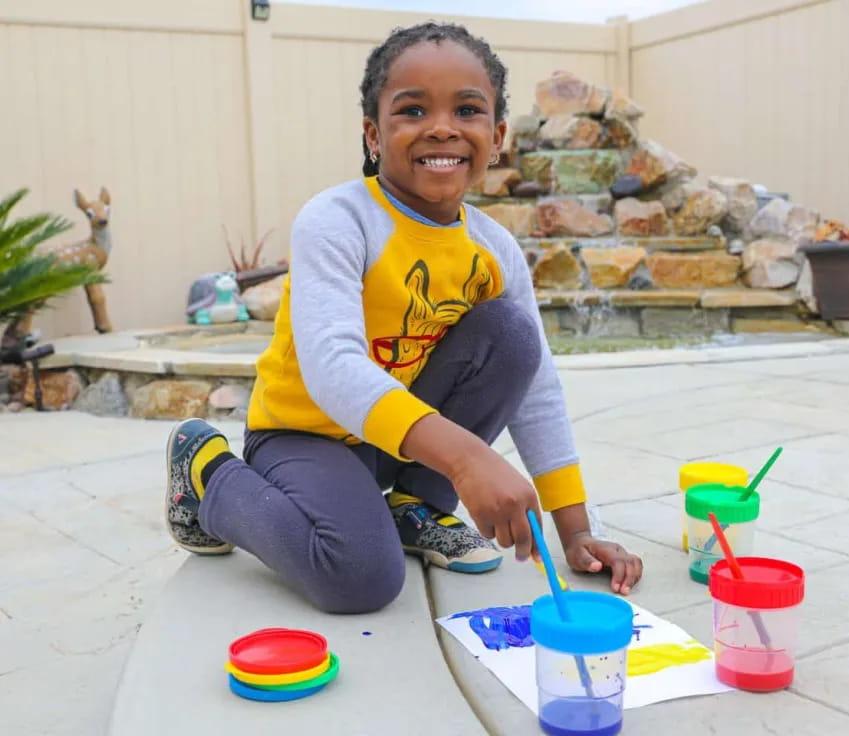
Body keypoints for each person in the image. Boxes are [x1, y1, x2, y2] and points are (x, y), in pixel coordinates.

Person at [164, 21, 643, 614]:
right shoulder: (339, 220)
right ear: (374, 133)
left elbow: (536, 384)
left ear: (496, 138)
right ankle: (209, 473)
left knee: (512, 336)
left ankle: (413, 505)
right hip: (303, 435)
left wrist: (576, 530)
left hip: (398, 441)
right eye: (412, 110)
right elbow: (333, 366)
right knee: (357, 577)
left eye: (466, 110)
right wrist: (468, 459)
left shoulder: (494, 250)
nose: (441, 127)